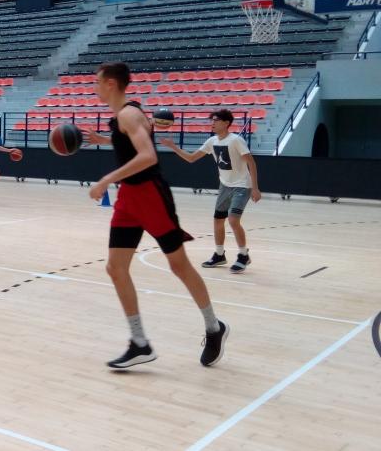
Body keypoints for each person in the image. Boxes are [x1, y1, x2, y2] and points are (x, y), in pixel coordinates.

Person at [82, 62, 228, 369]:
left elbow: (147, 156)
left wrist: (107, 179)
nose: (93, 86)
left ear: (111, 84)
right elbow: (131, 143)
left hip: (150, 195)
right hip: (128, 200)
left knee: (179, 266)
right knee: (115, 268)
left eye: (97, 82)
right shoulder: (122, 117)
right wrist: (104, 141)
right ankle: (139, 343)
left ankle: (215, 328)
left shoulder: (129, 113)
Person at [160, 109, 262, 273]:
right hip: (224, 185)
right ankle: (219, 254)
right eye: (212, 120)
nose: (212, 123)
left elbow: (251, 162)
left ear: (226, 123)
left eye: (216, 120)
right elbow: (191, 158)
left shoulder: (236, 140)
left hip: (242, 185)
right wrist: (173, 147)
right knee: (218, 220)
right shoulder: (211, 141)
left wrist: (255, 187)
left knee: (233, 220)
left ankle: (243, 255)